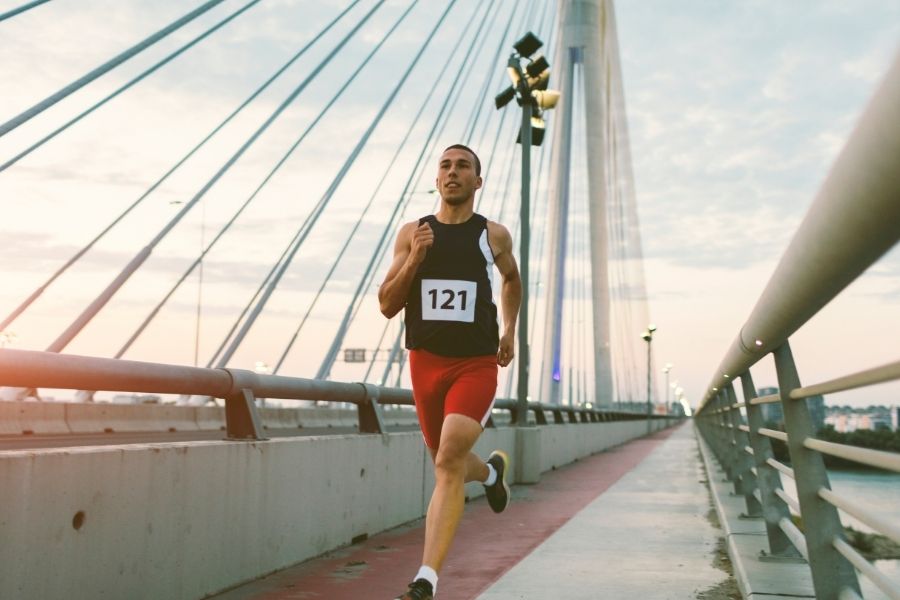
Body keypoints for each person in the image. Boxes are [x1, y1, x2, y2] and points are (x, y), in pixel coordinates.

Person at [379, 144, 522, 600]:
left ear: (478, 182)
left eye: (463, 166)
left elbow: (512, 280)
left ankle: (426, 580)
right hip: (425, 364)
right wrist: (417, 259)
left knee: (446, 461)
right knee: (451, 462)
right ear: (437, 180)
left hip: (475, 364)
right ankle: (493, 475)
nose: (453, 172)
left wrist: (509, 330)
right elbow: (386, 305)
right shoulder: (412, 234)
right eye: (446, 166)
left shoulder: (493, 236)